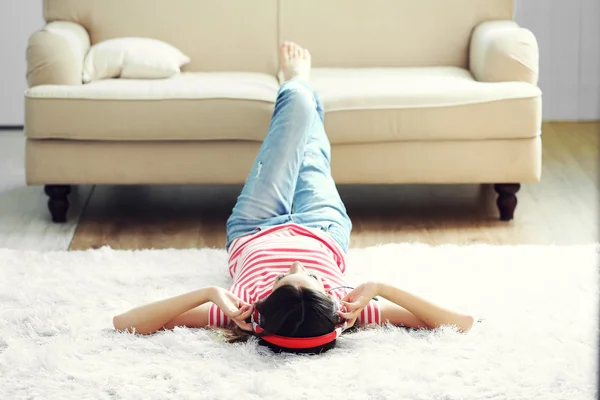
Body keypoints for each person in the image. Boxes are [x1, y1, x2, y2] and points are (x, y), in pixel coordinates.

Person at [113, 42, 474, 354]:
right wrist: (380, 289)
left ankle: (296, 83)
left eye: (281, 279)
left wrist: (209, 293)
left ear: (262, 307)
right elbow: (461, 322)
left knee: (299, 105)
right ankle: (300, 83)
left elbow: (124, 322)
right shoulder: (344, 307)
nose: (298, 267)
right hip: (322, 225)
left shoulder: (245, 311)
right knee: (312, 149)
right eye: (313, 279)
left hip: (255, 225)